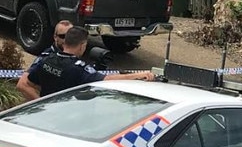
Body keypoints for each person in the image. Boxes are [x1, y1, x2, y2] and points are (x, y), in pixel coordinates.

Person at [26, 26, 154, 97]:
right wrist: (138, 75)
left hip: (45, 112)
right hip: (66, 116)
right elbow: (108, 80)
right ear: (82, 45)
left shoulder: (46, 60)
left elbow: (29, 82)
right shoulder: (78, 69)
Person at [16, 20, 73, 100]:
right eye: (62, 36)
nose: (66, 40)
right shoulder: (46, 57)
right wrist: (44, 105)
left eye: (70, 36)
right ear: (55, 37)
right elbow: (22, 84)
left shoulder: (77, 53)